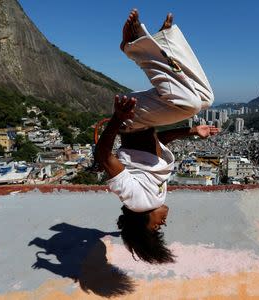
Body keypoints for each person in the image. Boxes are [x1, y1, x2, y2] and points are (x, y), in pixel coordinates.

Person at [95, 9, 218, 264]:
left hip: (131, 120)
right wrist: (192, 131)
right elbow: (159, 145)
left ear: (142, 223)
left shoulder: (136, 201)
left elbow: (103, 156)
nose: (163, 223)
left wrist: (118, 118)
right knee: (205, 99)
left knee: (190, 104)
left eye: (156, 228)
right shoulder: (155, 196)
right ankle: (166, 41)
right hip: (144, 123)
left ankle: (134, 47)